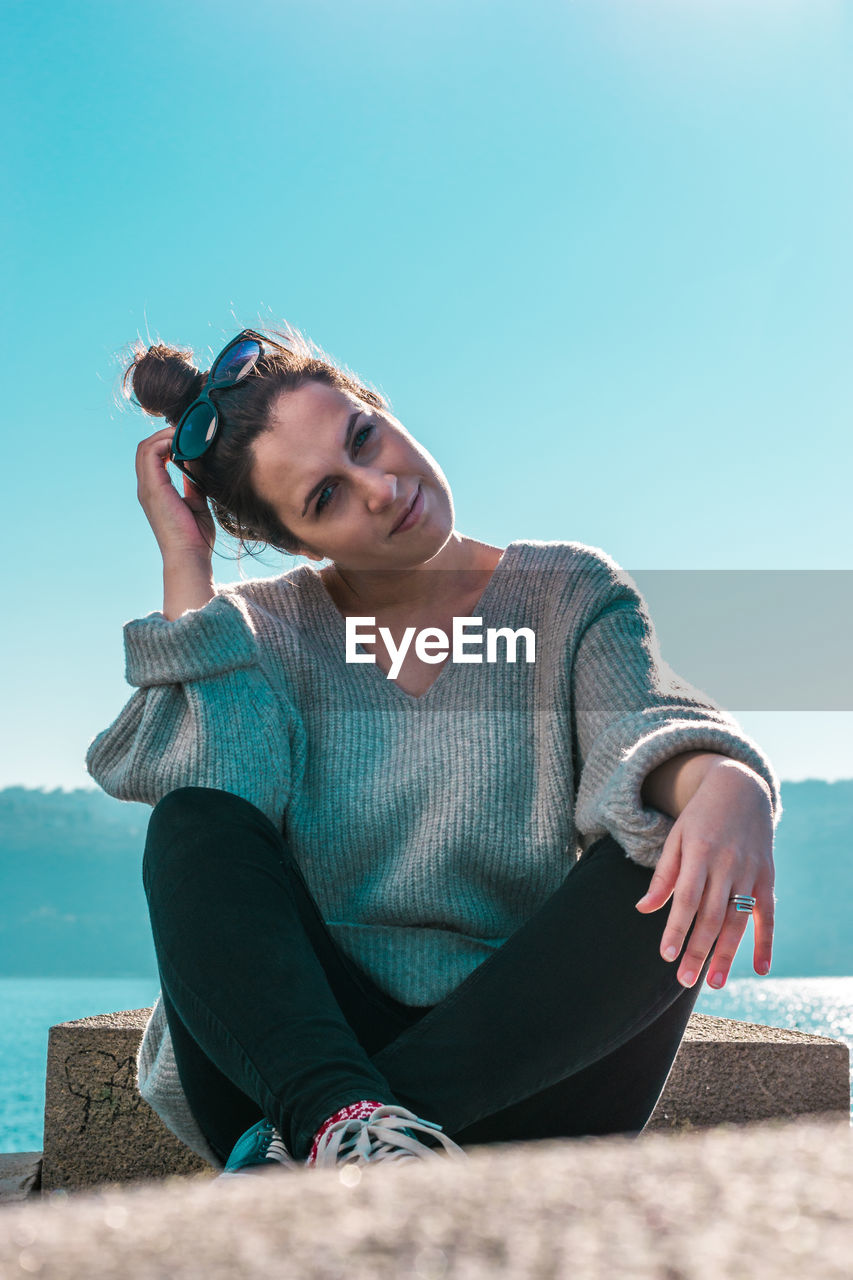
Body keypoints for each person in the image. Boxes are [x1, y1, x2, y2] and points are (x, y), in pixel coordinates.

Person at [86, 324, 780, 1177]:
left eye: (363, 439)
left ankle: (336, 1146)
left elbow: (639, 729)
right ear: (296, 542)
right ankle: (343, 1122)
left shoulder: (564, 592)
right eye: (325, 499)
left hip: (520, 1061)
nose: (379, 490)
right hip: (295, 1061)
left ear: (377, 405)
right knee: (194, 819)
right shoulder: (261, 633)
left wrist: (726, 780)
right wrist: (188, 573)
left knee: (672, 847)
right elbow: (215, 812)